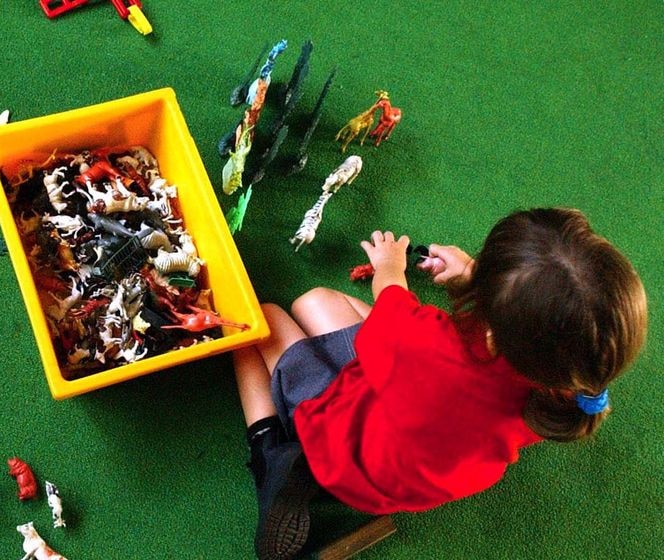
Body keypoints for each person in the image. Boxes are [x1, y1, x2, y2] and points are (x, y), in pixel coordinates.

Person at [233, 207, 648, 560]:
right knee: (323, 307)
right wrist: (475, 279)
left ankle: (271, 455)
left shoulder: (428, 339)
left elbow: (391, 296)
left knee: (265, 319)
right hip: (412, 477)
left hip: (345, 446)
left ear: (492, 321)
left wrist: (390, 267)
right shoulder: (565, 390)